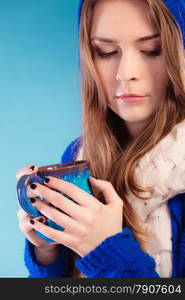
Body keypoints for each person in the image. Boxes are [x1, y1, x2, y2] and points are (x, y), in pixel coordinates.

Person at [17, 0, 185, 278]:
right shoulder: (78, 154)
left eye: (151, 50)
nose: (125, 73)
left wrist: (104, 250)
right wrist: (49, 249)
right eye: (106, 52)